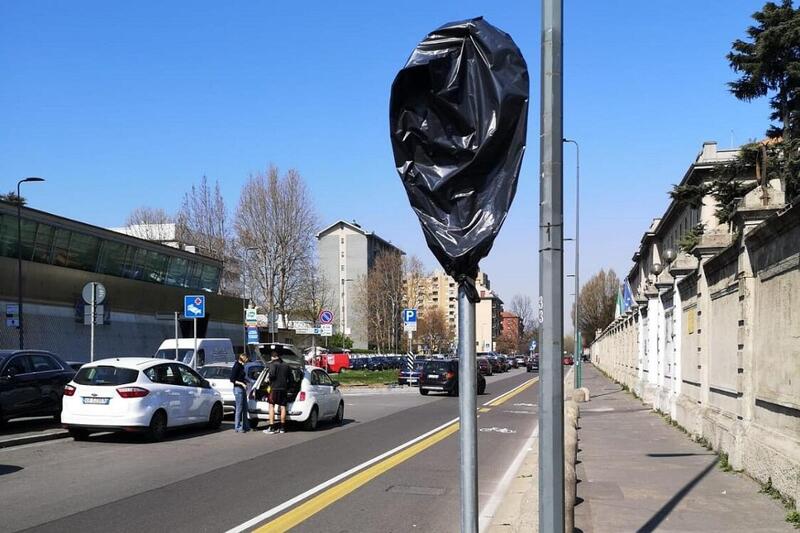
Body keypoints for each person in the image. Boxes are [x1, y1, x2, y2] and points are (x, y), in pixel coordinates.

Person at [264, 350, 290, 434]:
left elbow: (272, 375)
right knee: (283, 407)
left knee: (271, 406)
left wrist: (268, 380)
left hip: (274, 389)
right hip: (284, 389)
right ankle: (282, 428)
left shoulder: (273, 364)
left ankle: (271, 427)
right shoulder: (286, 365)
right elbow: (291, 378)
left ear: (273, 357)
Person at [230, 353, 250, 433]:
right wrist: (241, 383)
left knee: (245, 407)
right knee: (239, 408)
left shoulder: (242, 366)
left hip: (242, 389)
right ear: (243, 358)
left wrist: (246, 380)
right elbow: (232, 379)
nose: (247, 360)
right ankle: (237, 426)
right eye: (247, 358)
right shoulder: (236, 366)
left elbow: (241, 377)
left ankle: (245, 426)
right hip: (238, 389)